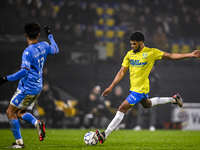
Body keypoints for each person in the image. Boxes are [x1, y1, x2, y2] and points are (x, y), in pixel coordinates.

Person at [95, 30, 200, 144]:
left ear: (141, 42)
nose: (132, 46)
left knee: (122, 108)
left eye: (134, 44)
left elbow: (171, 56)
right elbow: (121, 72)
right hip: (137, 89)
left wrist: (191, 54)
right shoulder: (129, 54)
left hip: (139, 90)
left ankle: (105, 134)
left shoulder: (151, 52)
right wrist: (111, 86)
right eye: (131, 43)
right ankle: (174, 99)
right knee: (148, 104)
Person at [0, 22, 59, 148]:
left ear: (26, 34)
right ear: (38, 34)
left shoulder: (28, 52)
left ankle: (19, 143)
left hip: (27, 87)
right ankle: (37, 123)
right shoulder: (44, 45)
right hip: (37, 87)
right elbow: (56, 49)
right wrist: (50, 36)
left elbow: (24, 71)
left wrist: (6, 78)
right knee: (20, 112)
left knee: (10, 112)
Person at [133, 65, 162, 131]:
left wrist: (155, 95)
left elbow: (159, 88)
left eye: (152, 67)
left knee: (152, 112)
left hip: (152, 98)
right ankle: (139, 125)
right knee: (140, 112)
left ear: (154, 68)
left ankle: (152, 126)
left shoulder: (156, 77)